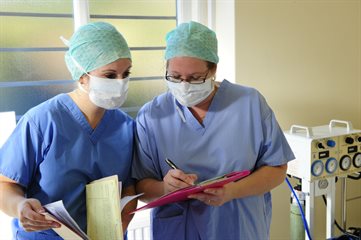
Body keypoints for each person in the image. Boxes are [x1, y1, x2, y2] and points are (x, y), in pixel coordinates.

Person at [132, 21, 295, 240]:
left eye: (194, 78)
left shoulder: (249, 104)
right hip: (178, 231)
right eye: (175, 77)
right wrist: (165, 187)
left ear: (213, 69)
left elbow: (277, 169)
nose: (184, 85)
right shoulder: (152, 116)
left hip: (239, 230)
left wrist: (233, 191)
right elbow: (142, 186)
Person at [0, 22, 136, 239]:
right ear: (82, 75)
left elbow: (129, 188)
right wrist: (20, 207)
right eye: (110, 75)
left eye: (126, 73)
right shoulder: (42, 120)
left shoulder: (126, 127)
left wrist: (120, 224)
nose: (120, 83)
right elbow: (5, 183)